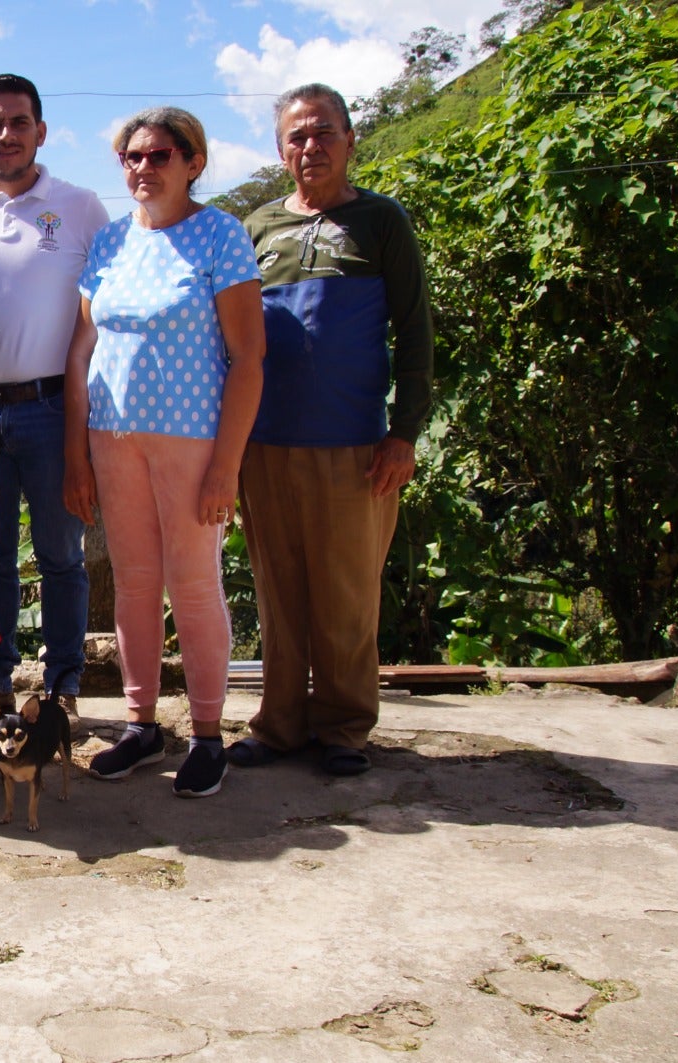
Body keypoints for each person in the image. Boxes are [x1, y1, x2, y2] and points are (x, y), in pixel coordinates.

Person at [231, 84, 433, 777]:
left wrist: (403, 432)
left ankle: (345, 728)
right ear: (281, 148)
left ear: (350, 139)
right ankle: (280, 723)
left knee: (347, 593)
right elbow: (229, 339)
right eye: (297, 137)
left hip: (355, 444)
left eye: (323, 134)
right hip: (264, 443)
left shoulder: (382, 222)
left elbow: (414, 333)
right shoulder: (256, 227)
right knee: (278, 588)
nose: (310, 147)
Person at [64, 107, 265, 798]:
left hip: (191, 442)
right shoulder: (112, 242)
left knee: (195, 584)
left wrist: (225, 467)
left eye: (159, 155)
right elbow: (81, 351)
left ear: (193, 162)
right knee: (136, 581)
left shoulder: (221, 236)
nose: (143, 167)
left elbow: (247, 358)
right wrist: (76, 452)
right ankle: (142, 723)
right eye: (132, 157)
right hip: (112, 441)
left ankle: (207, 734)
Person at [0, 74, 110, 733]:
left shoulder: (82, 206)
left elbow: (108, 305)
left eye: (19, 122)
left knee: (62, 552)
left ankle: (62, 685)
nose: (6, 134)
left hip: (54, 408)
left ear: (41, 130)